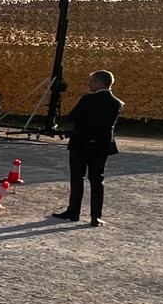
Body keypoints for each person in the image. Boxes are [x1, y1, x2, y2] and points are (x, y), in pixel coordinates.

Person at [53, 70, 124, 227]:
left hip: (81, 142)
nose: (89, 84)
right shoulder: (118, 103)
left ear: (99, 83)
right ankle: (95, 216)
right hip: (102, 145)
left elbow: (72, 117)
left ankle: (73, 211)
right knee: (97, 180)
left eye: (91, 81)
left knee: (77, 178)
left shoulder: (87, 99)